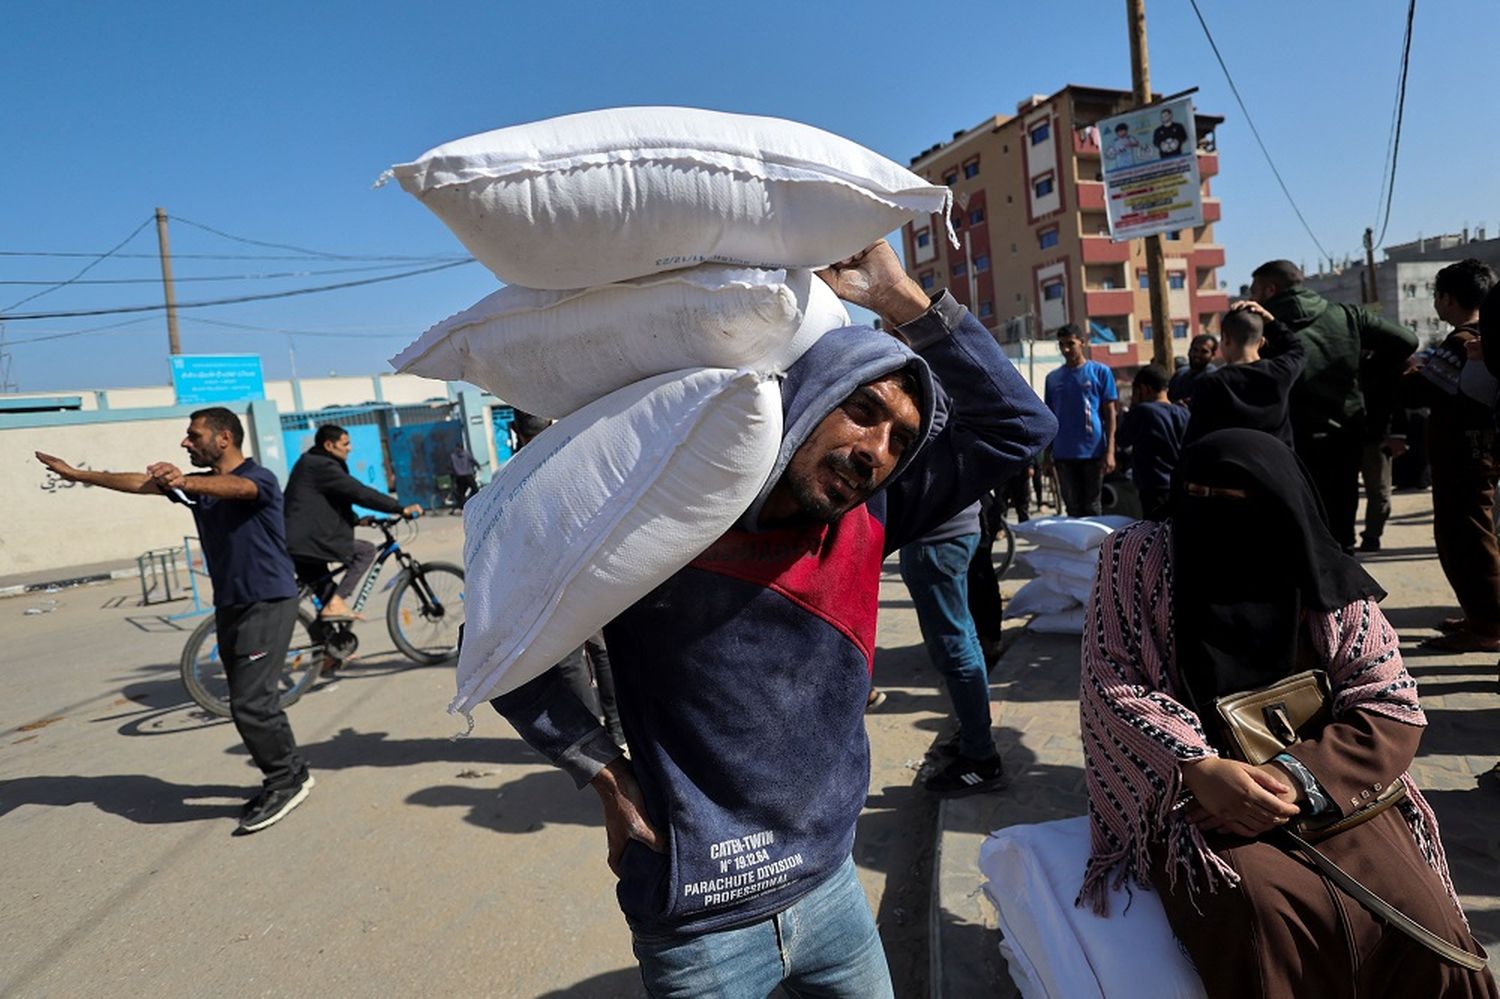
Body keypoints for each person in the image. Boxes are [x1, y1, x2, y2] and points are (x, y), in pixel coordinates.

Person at [488, 240, 1055, 996]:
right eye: (863, 412)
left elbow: (1020, 426)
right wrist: (605, 775)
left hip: (832, 892)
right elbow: (499, 648)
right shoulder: (664, 521)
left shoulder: (871, 516)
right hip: (700, 926)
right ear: (809, 399)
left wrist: (897, 296)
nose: (876, 450)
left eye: (900, 440)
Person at [1078, 429, 1496, 998]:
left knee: (1429, 930)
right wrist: (1197, 767)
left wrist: (1293, 778)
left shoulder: (1321, 571)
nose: (1211, 511)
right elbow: (1114, 676)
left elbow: (1387, 698)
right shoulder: (1136, 555)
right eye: (1195, 494)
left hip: (1335, 790)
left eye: (1235, 500)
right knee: (1261, 920)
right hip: (1200, 800)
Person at [35, 408, 314, 834]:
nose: (185, 443)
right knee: (250, 700)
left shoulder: (258, 478)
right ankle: (289, 772)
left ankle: (287, 780)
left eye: (193, 435)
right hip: (232, 603)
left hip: (267, 600)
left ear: (223, 438)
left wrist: (183, 480)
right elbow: (140, 483)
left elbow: (237, 488)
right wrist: (81, 476)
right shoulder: (199, 487)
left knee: (251, 702)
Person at [1252, 259, 1417, 552]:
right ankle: (1346, 589)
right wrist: (1363, 371)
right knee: (1342, 529)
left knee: (1300, 530)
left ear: (1269, 289)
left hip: (1291, 440)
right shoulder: (1346, 315)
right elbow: (1407, 340)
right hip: (1346, 434)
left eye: (1255, 290)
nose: (1252, 297)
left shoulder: (1263, 328)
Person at [1405, 258, 1500, 652]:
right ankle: (1479, 615)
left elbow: (1421, 389)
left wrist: (1405, 369)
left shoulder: (1462, 340)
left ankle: (1489, 625)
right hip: (1477, 452)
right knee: (1470, 535)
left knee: (1468, 540)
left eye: (1435, 295)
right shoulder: (1483, 336)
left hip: (1463, 456)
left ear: (1447, 298)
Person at [899, 500, 1005, 795]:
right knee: (965, 640)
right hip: (950, 531)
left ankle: (981, 759)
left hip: (935, 538)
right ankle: (974, 736)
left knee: (955, 651)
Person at [283, 424, 422, 624]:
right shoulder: (320, 466)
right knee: (365, 551)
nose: (349, 448)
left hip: (302, 541)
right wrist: (400, 508)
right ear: (329, 445)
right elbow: (359, 492)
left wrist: (358, 520)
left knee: (327, 601)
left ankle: (333, 650)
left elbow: (325, 504)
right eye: (345, 444)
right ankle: (338, 603)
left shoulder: (314, 463)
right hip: (308, 542)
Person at [1183, 299, 1306, 447]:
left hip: (1232, 465)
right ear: (1261, 342)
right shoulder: (1280, 372)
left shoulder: (1212, 383)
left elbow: (1195, 440)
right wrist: (1271, 322)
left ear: (1226, 339)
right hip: (1278, 465)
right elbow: (1299, 349)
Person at [1044, 324, 1117, 517]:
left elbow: (1110, 414)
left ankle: (1096, 548)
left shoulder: (1100, 372)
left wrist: (1110, 451)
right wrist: (1046, 455)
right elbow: (1049, 418)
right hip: (1063, 454)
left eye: (1071, 344)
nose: (1066, 349)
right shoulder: (1053, 378)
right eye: (1061, 345)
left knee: (1093, 507)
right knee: (1073, 508)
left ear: (1082, 343)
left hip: (1093, 452)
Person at [1117, 363, 1188, 518]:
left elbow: (1122, 438)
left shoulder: (1142, 412)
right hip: (1180, 485)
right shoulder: (1183, 413)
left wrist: (1131, 407)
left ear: (1144, 389)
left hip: (1153, 486)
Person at [1167, 333, 1219, 404]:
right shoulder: (1180, 374)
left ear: (1213, 355)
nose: (1198, 354)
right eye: (1195, 350)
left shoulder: (1214, 378)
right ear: (1189, 351)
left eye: (1204, 352)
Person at [449, 440, 481, 509]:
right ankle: (473, 502)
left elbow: (451, 466)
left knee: (461, 493)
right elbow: (473, 460)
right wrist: (479, 466)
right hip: (468, 475)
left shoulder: (453, 456)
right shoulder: (466, 454)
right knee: (475, 489)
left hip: (459, 477)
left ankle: (463, 507)